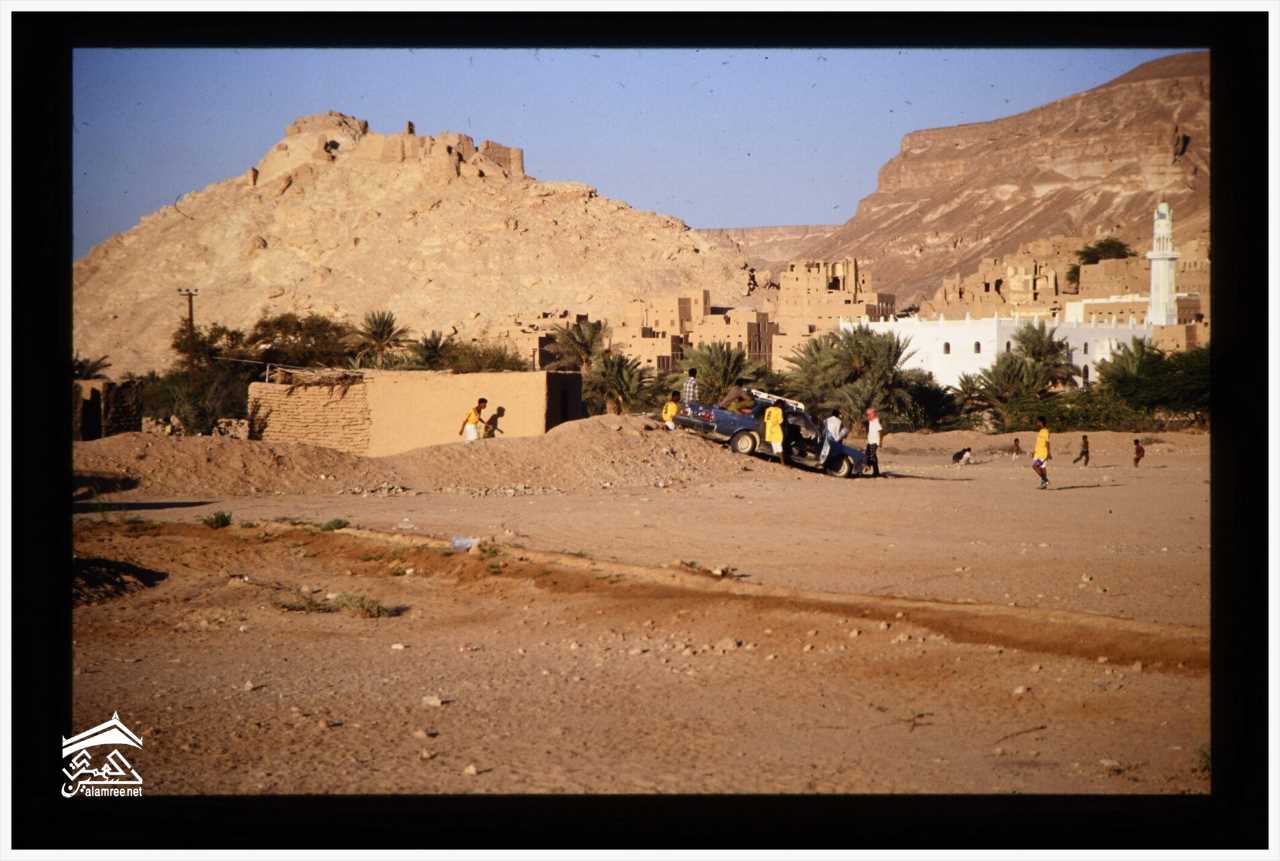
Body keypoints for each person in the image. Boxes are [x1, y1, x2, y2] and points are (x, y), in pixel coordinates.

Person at [763, 400, 786, 465]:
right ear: (780, 405)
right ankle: (782, 462)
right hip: (776, 430)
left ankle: (770, 459)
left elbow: (765, 420)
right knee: (779, 446)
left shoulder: (768, 409)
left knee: (774, 446)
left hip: (769, 430)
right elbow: (780, 421)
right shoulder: (779, 410)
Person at [1031, 416, 1051, 489]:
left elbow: (1047, 442)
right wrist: (1034, 451)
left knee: (1035, 466)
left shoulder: (1046, 431)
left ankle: (1045, 480)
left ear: (1041, 422)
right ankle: (1044, 483)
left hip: (1043, 453)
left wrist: (1048, 452)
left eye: (1038, 422)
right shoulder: (1040, 431)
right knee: (1042, 467)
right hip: (1038, 453)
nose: (1037, 423)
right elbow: (1039, 443)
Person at [864, 407, 883, 477]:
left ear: (873, 414)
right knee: (868, 454)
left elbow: (880, 431)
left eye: (869, 414)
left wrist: (880, 441)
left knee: (872, 456)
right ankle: (873, 469)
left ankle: (872, 469)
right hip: (870, 441)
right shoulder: (870, 421)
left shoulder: (876, 422)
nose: (867, 416)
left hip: (875, 442)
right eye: (867, 415)